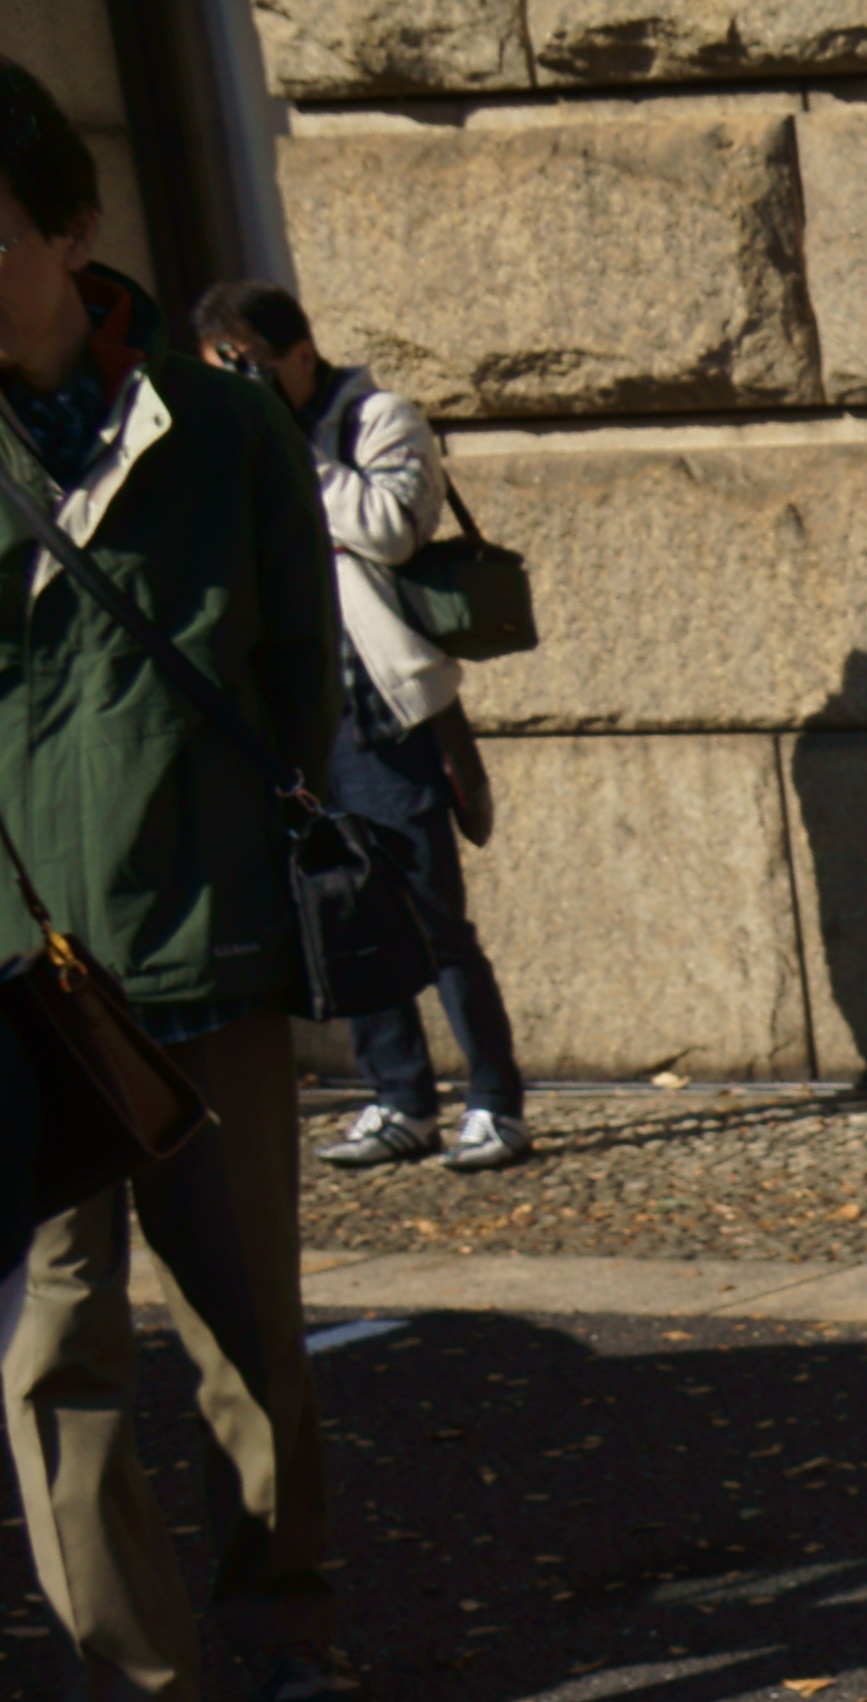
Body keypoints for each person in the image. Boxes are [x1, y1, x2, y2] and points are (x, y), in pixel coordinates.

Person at [0, 62, 360, 1702]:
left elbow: (298, 663)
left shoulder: (223, 430)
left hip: (201, 943)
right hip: (16, 976)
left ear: (72, 232)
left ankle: (285, 1618)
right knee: (53, 1340)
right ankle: (127, 1701)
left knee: (243, 1312)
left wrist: (253, 860)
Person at [190, 280, 524, 1178]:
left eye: (256, 365)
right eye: (227, 368)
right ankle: (400, 1099)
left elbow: (390, 529)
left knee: (432, 917)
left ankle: (494, 1101)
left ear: (300, 352)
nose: (245, 382)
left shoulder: (379, 419)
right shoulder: (236, 437)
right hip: (293, 720)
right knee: (343, 918)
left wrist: (290, 447)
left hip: (384, 711)